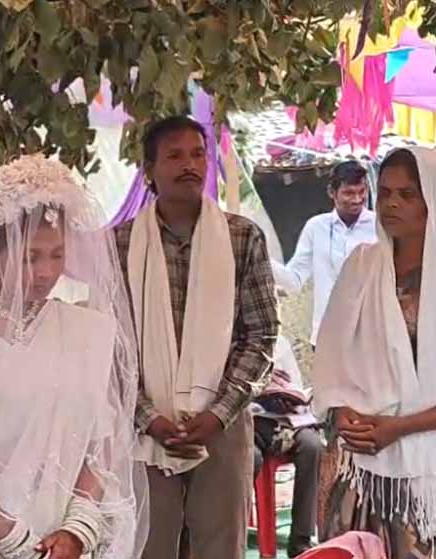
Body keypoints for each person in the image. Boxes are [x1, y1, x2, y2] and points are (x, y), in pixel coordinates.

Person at [0, 154, 146, 559]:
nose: (46, 272)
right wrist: (13, 540)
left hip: (62, 541)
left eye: (57, 255)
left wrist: (77, 529)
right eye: (30, 256)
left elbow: (103, 440)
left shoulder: (83, 330)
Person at [113, 116, 279, 559]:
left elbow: (262, 335)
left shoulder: (242, 237)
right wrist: (148, 416)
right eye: (175, 155)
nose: (190, 165)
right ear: (149, 170)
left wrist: (218, 414)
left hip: (222, 422)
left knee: (220, 547)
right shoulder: (119, 244)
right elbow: (110, 347)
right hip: (144, 427)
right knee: (148, 546)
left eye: (198, 154)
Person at [315, 147, 436, 558]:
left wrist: (398, 427)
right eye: (384, 193)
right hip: (361, 461)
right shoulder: (362, 265)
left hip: (425, 462)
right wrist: (342, 413)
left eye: (407, 194)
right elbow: (331, 357)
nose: (392, 204)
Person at [273, 160, 376, 347]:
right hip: (326, 336)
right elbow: (294, 280)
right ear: (332, 192)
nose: (357, 199)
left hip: (368, 336)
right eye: (348, 193)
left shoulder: (379, 227)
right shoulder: (316, 227)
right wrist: (261, 258)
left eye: (362, 191)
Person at [251, 335, 322, 558]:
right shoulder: (235, 343)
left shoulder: (281, 343)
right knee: (250, 458)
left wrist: (288, 397)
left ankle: (301, 541)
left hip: (286, 421)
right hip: (251, 422)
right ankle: (238, 536)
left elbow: (296, 387)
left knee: (312, 446)